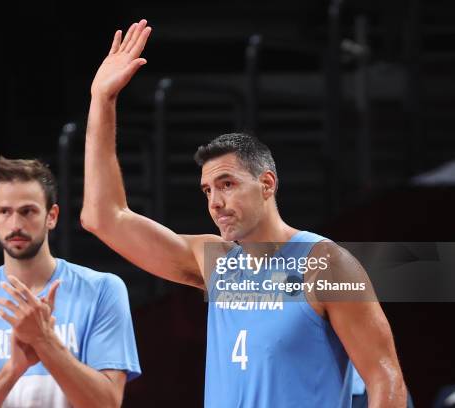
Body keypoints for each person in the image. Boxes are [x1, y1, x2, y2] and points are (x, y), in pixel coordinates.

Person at [81, 19, 407, 407]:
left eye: (227, 184)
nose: (215, 202)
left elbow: (386, 381)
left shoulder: (327, 265)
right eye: (207, 190)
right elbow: (103, 217)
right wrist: (102, 101)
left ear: (267, 184)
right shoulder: (215, 264)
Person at [0, 157, 141, 408]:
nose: (15, 225)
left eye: (28, 211)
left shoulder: (103, 290)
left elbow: (107, 404)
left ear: (51, 216)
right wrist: (12, 370)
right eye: (5, 212)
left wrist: (45, 343)